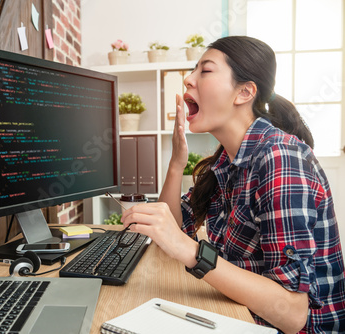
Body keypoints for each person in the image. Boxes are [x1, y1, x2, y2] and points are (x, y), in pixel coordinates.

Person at [121, 36, 345, 333]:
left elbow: (292, 314)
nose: (188, 79)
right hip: (241, 313)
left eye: (205, 70)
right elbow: (173, 233)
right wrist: (177, 162)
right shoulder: (227, 162)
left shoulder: (280, 157)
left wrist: (191, 251)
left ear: (244, 92)